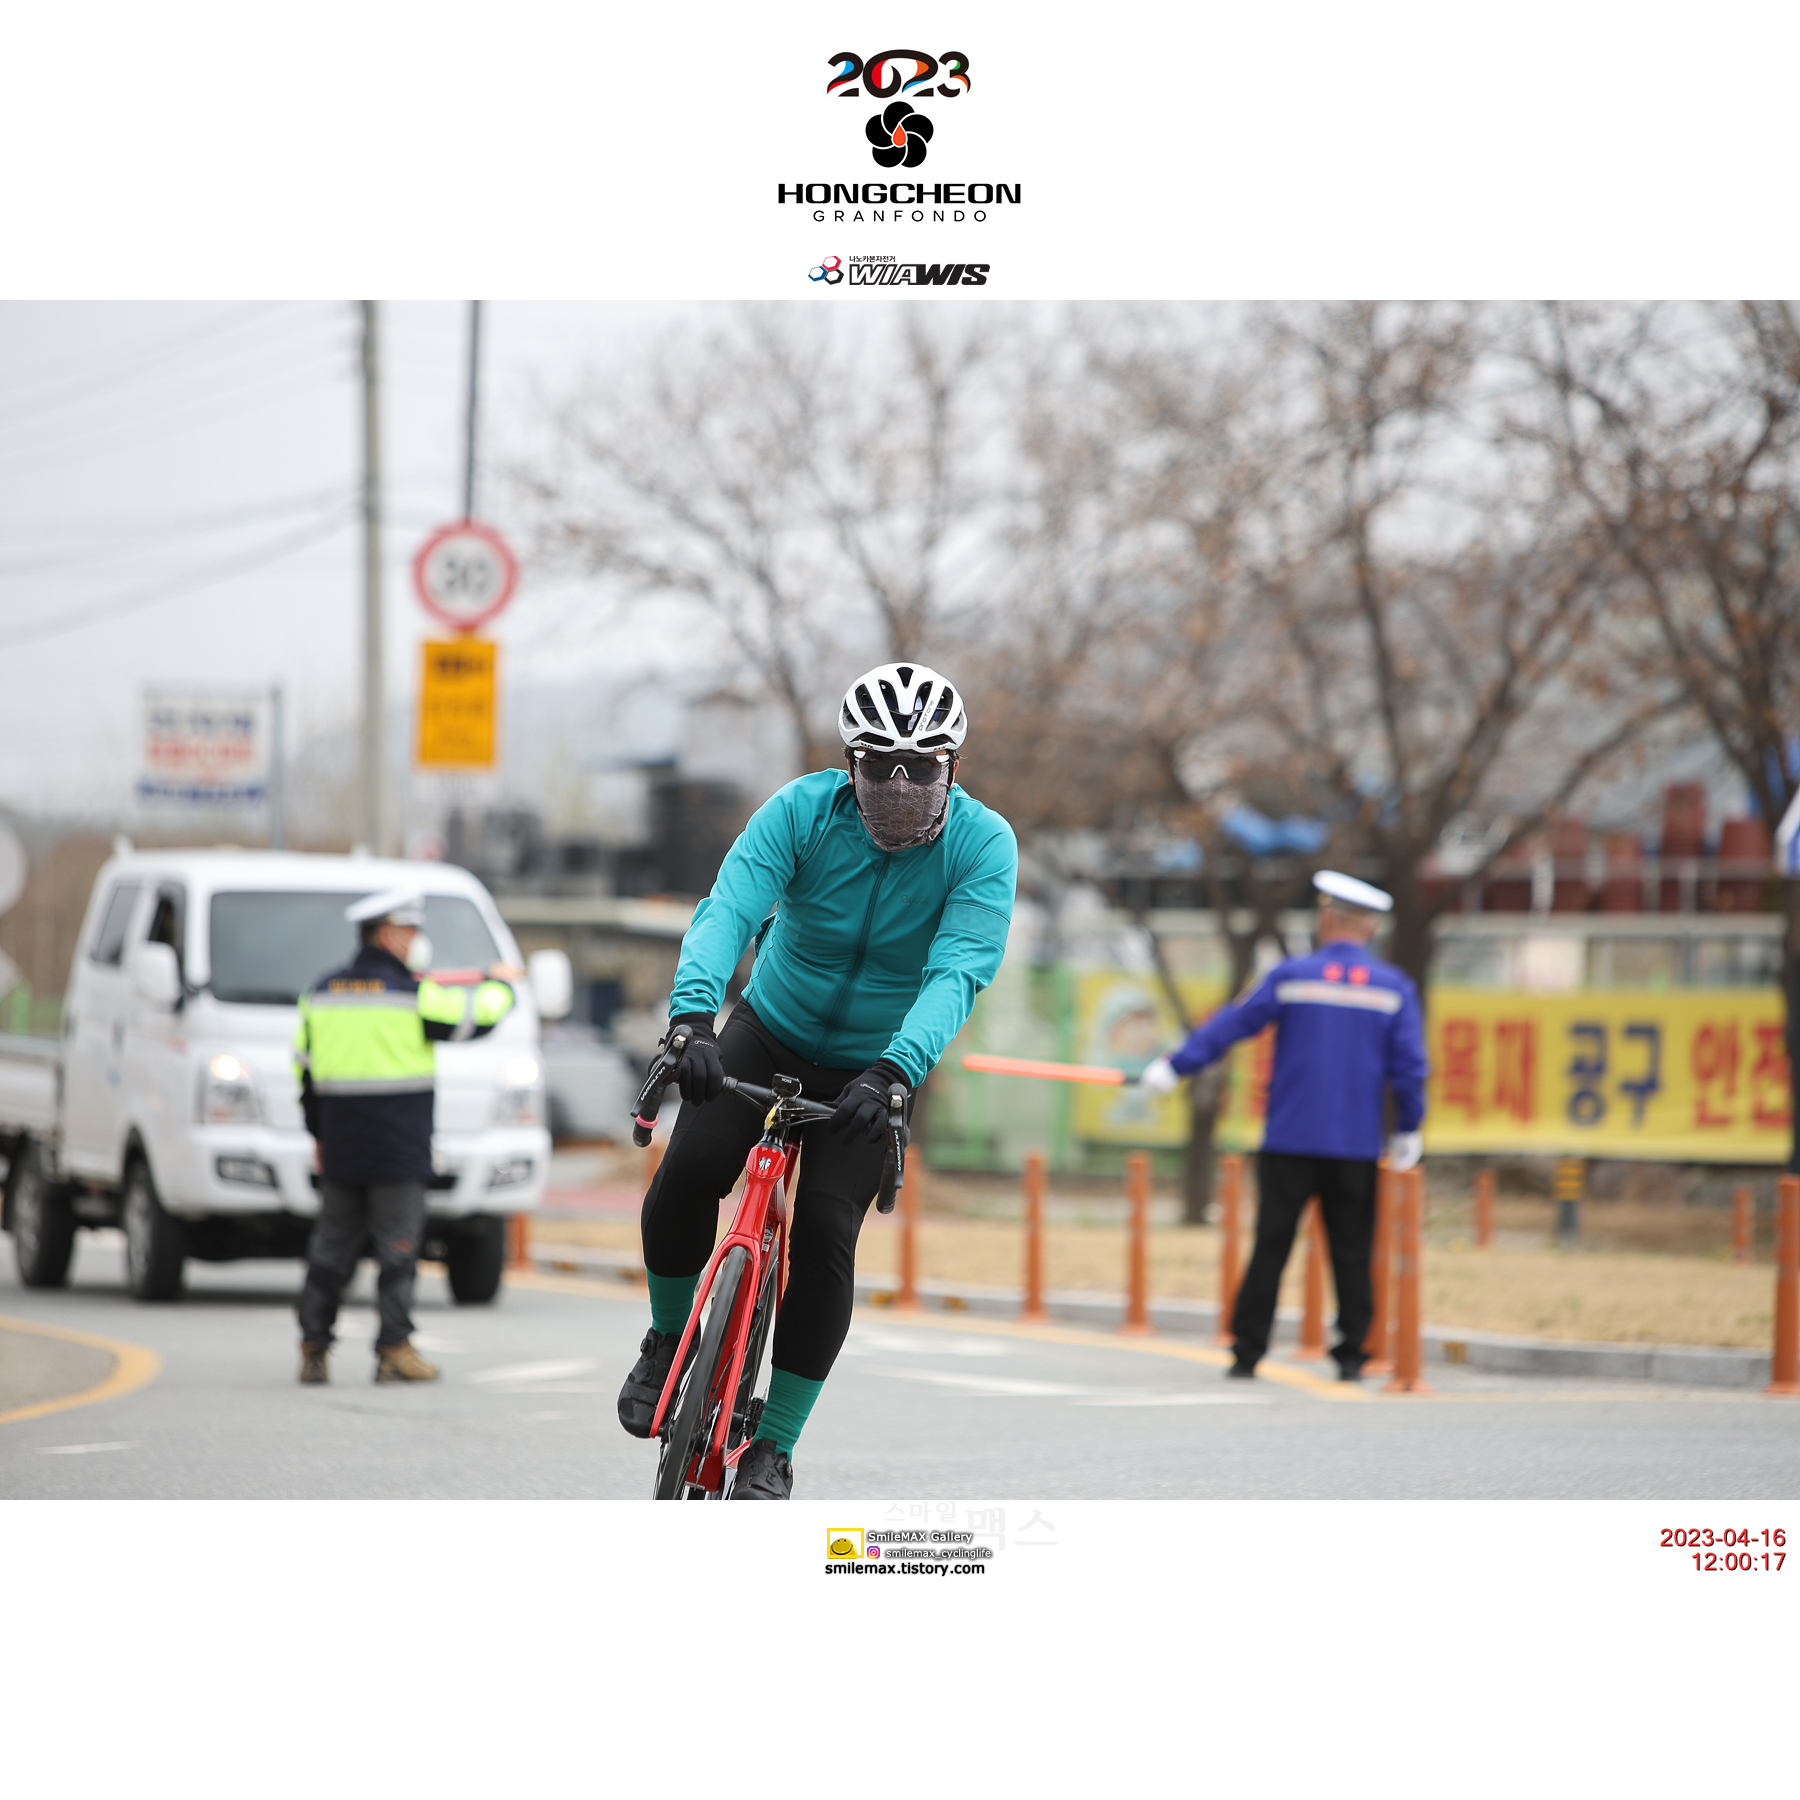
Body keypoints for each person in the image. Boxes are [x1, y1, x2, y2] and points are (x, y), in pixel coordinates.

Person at [617, 662, 1017, 1498]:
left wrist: (896, 1069)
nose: (899, 787)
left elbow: (958, 972)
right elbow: (729, 909)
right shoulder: (799, 812)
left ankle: (777, 1442)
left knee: (828, 1232)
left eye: (921, 768)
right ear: (850, 764)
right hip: (772, 1027)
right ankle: (666, 1341)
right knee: (690, 1169)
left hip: (877, 1064)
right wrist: (692, 1017)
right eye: (879, 767)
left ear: (952, 767)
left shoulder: (983, 846)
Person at [1141, 870, 1427, 1381]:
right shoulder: (1393, 987)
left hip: (1290, 1140)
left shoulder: (1293, 977)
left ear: (1326, 920)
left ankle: (1247, 1351)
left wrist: (1175, 1066)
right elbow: (1409, 1068)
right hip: (1355, 1145)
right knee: (1353, 1252)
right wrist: (1409, 1128)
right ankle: (1352, 1357)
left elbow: (1232, 1024)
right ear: (1370, 927)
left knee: (1270, 1247)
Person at [293, 889, 518, 1385]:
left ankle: (313, 1349)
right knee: (396, 1252)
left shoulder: (321, 992)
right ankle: (393, 1348)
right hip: (397, 1148)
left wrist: (318, 1135)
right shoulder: (412, 991)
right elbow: (472, 1020)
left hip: (341, 1146)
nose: (416, 941)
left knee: (330, 1252)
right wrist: (501, 985)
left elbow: (303, 1074)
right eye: (411, 932)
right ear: (389, 935)